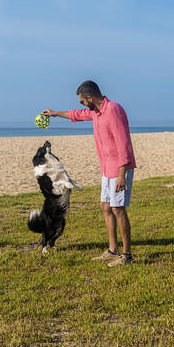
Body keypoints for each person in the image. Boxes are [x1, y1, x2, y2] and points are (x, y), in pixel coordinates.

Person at [42, 80, 136, 266]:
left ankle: (127, 255)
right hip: (107, 168)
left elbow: (123, 142)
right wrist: (55, 114)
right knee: (105, 207)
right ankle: (112, 250)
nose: (82, 105)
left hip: (119, 169)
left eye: (82, 101)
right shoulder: (96, 112)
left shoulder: (113, 110)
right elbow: (77, 114)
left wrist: (122, 173)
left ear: (90, 98)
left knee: (118, 209)